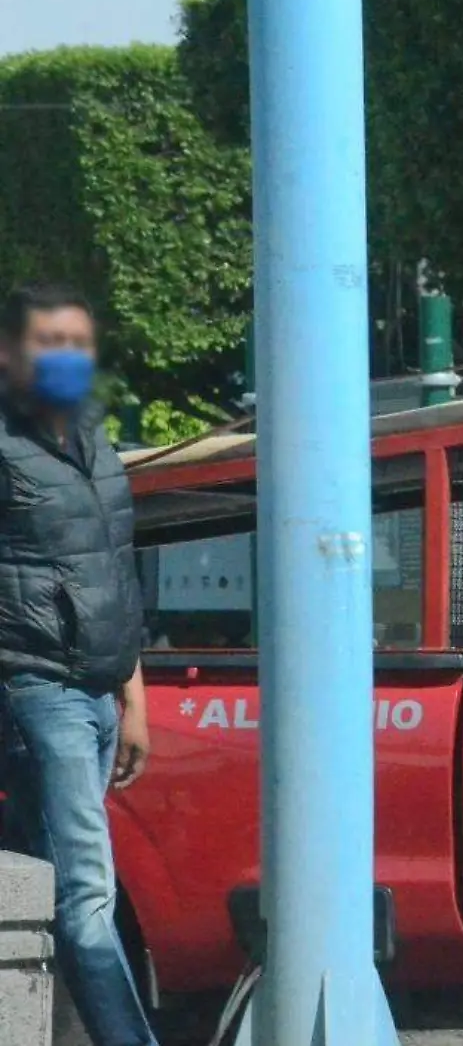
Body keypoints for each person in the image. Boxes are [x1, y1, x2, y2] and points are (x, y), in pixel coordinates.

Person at [0, 284, 157, 1046]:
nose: (66, 359)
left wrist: (135, 696)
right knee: (87, 897)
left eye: (76, 344)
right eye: (47, 344)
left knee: (38, 883)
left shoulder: (96, 441)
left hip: (98, 693)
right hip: (37, 689)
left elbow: (114, 577)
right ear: (8, 354)